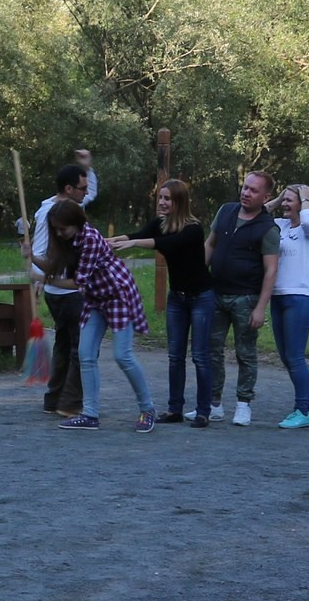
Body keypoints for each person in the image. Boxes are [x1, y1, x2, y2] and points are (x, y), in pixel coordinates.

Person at [36, 199, 154, 431]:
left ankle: (147, 409)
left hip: (117, 295)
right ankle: (90, 414)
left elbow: (77, 282)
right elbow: (54, 267)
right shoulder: (67, 240)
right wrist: (31, 257)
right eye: (56, 229)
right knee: (85, 354)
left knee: (123, 356)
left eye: (62, 229)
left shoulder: (89, 238)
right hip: (95, 298)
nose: (58, 234)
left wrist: (43, 279)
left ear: (76, 223)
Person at [112, 178, 217, 425]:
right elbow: (138, 234)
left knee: (200, 356)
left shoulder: (193, 228)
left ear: (179, 201)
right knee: (175, 356)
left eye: (167, 198)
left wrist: (134, 243)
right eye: (160, 197)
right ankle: (174, 410)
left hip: (201, 298)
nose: (162, 202)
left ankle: (203, 411)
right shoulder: (160, 223)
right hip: (177, 298)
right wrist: (108, 241)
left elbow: (167, 243)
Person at [204, 170, 280, 427]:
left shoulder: (268, 228)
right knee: (211, 350)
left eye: (253, 190)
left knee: (245, 353)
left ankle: (243, 404)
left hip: (246, 298)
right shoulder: (226, 211)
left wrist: (260, 307)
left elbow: (271, 270)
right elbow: (210, 244)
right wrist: (199, 278)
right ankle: (213, 404)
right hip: (216, 293)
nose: (246, 193)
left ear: (265, 197)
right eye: (245, 187)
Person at [29, 161, 94, 418]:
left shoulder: (69, 208)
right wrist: (38, 279)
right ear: (68, 189)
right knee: (79, 348)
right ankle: (69, 403)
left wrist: (88, 167)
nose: (86, 193)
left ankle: (55, 399)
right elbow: (42, 247)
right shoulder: (52, 213)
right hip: (67, 294)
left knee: (65, 345)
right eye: (82, 188)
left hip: (64, 292)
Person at [269, 183, 309, 428]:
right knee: (285, 355)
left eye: (289, 200)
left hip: (301, 295)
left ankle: (301, 409)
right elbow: (256, 216)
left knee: (294, 355)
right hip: (278, 294)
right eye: (284, 199)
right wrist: (278, 198)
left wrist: (305, 198)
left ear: (303, 204)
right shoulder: (280, 225)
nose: (285, 204)